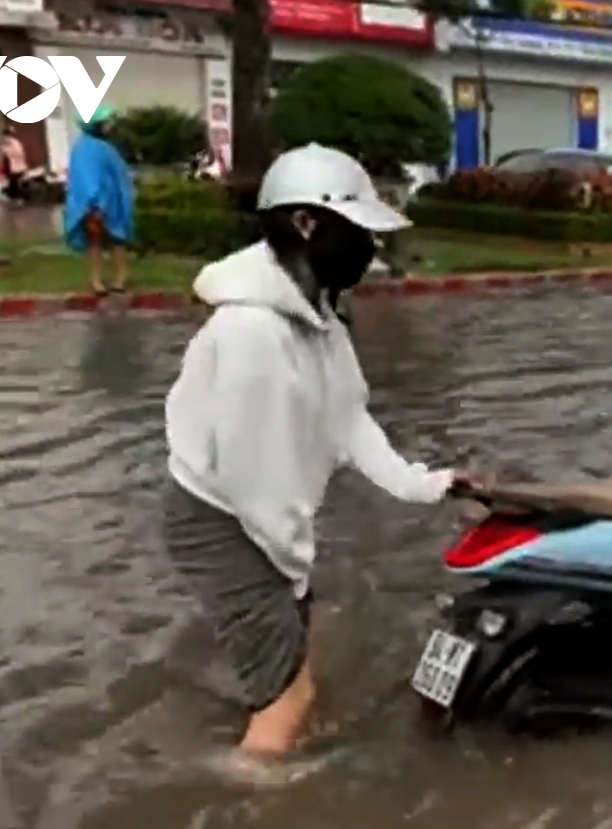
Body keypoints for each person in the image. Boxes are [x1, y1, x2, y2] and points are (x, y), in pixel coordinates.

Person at [163, 143, 476, 774]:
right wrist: (293, 572)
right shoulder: (253, 336)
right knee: (289, 697)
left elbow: (349, 418)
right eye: (359, 231)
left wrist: (431, 485)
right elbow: (261, 485)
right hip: (224, 518)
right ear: (307, 224)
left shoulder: (318, 317)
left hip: (257, 515)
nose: (371, 249)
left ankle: (268, 722)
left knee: (293, 655)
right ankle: (248, 806)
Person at [63, 105, 134, 296]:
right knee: (99, 241)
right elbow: (85, 178)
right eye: (105, 123)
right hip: (96, 204)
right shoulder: (86, 149)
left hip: (109, 202)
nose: (109, 126)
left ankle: (114, 279)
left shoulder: (102, 148)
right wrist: (95, 203)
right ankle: (100, 281)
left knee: (112, 241)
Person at [0, 125, 27, 203]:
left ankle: (19, 198)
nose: (3, 138)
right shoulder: (7, 143)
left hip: (17, 167)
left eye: (5, 136)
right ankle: (13, 197)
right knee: (12, 183)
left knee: (15, 183)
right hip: (11, 166)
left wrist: (6, 150)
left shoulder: (14, 143)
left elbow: (18, 153)